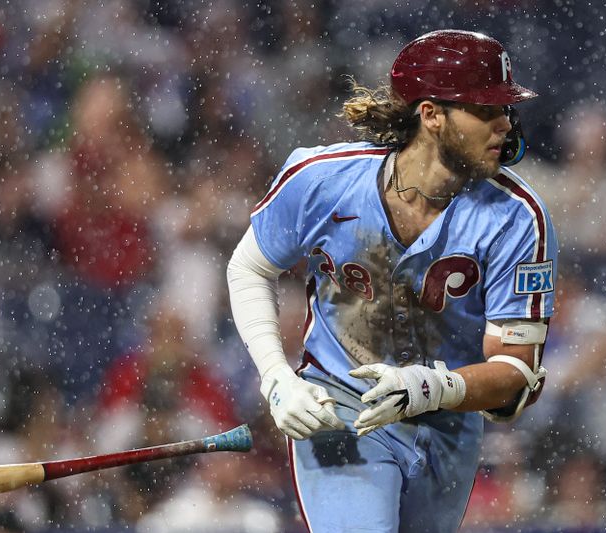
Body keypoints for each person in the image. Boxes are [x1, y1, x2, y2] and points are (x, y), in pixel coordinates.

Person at [227, 30, 557, 532]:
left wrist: (430, 388)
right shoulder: (323, 179)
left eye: (506, 110)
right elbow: (249, 267)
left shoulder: (518, 218)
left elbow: (516, 374)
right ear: (431, 115)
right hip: (341, 405)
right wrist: (276, 378)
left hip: (449, 421)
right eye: (485, 109)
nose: (504, 124)